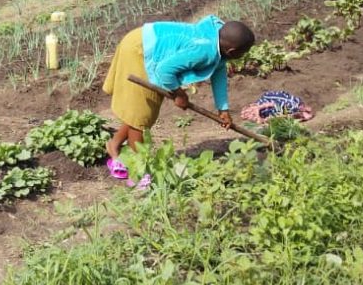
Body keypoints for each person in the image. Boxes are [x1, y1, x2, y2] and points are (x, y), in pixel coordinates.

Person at [102, 15, 255, 180]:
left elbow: (218, 72)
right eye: (244, 53)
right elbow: (164, 71)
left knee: (141, 113)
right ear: (232, 51)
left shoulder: (218, 39)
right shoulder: (204, 50)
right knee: (141, 116)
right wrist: (179, 93)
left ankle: (113, 145)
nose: (244, 56)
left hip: (147, 41)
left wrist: (223, 108)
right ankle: (139, 172)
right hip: (140, 51)